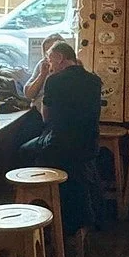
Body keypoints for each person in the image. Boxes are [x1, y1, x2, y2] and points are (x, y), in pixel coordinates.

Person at [18, 41, 101, 234]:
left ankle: (36, 213)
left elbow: (46, 117)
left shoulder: (54, 80)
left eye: (50, 60)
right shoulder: (94, 80)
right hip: (88, 145)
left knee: (23, 151)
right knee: (77, 171)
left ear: (60, 58)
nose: (49, 65)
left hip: (59, 146)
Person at [23, 33, 68, 109]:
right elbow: (28, 94)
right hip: (38, 109)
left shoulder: (70, 66)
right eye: (47, 53)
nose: (49, 56)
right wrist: (42, 75)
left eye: (52, 51)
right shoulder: (42, 64)